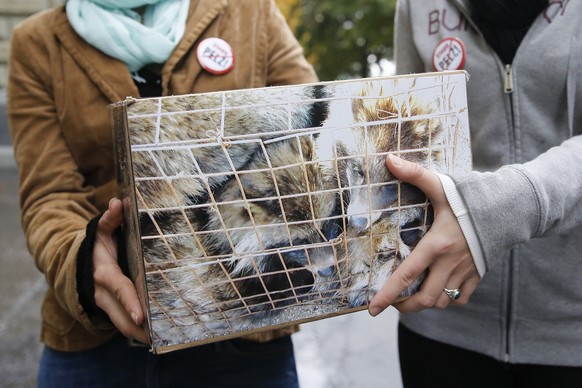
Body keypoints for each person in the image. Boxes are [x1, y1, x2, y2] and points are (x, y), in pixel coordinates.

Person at [7, 0, 318, 387]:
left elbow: (312, 129)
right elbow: (48, 194)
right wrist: (85, 267)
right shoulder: (38, 41)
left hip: (244, 326)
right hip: (97, 341)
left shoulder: (250, 12)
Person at [368, 0, 582, 387]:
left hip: (570, 332)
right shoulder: (417, 6)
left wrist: (497, 212)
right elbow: (407, 143)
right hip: (441, 321)